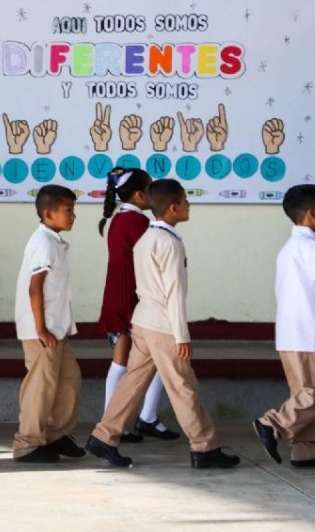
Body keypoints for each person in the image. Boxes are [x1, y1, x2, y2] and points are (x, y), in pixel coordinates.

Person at [86, 179, 240, 469]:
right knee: (184, 387)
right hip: (163, 327)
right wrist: (182, 336)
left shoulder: (146, 237)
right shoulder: (169, 242)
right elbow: (174, 293)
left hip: (143, 322)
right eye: (186, 200)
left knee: (132, 383)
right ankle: (204, 447)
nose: (189, 205)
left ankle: (104, 437)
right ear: (173, 207)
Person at [97, 167, 179, 442]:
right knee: (124, 361)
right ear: (139, 195)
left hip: (122, 297)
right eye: (150, 189)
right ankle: (115, 423)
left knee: (150, 360)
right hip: (128, 300)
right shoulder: (137, 223)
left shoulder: (122, 219)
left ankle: (143, 418)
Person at [12, 184, 86, 463]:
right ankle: (28, 443)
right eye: (68, 210)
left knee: (69, 381)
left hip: (57, 328)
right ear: (48, 213)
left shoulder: (53, 240)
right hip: (41, 330)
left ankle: (54, 435)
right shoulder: (43, 243)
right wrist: (40, 328)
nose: (73, 216)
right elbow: (35, 287)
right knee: (40, 387)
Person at [253, 184, 315, 468]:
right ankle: (272, 423)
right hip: (308, 334)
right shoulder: (309, 248)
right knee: (310, 395)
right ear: (312, 215)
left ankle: (304, 451)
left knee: (303, 394)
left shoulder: (289, 248)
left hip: (290, 335)